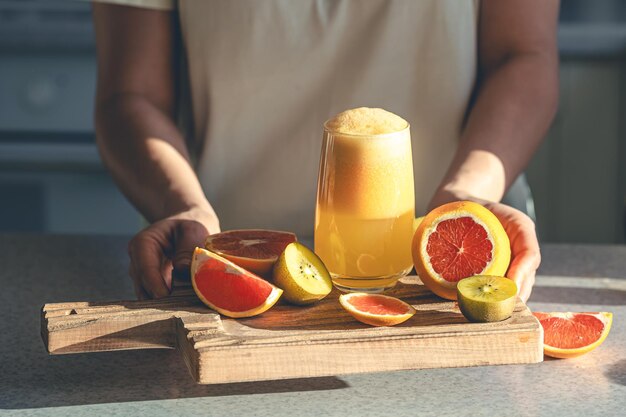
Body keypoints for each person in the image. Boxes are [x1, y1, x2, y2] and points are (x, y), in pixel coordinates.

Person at [90, 0, 559, 302]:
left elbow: (524, 54)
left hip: (439, 269)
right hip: (231, 253)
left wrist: (464, 197)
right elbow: (130, 95)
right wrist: (184, 205)